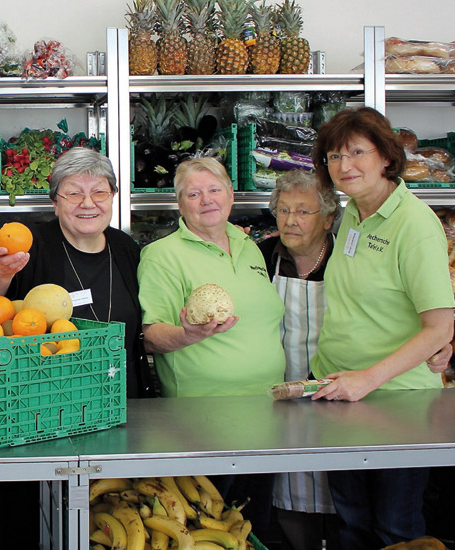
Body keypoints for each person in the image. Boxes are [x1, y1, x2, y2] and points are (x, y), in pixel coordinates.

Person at [308, 107, 455, 548]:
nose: (344, 166)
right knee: (353, 524)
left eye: (357, 152)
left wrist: (367, 380)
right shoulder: (353, 212)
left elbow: (438, 327)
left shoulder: (415, 225)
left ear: (387, 158)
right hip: (339, 391)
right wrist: (346, 383)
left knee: (395, 527)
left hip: (395, 401)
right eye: (334, 156)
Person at [137, 157, 285, 538]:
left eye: (214, 190)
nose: (206, 200)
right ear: (180, 203)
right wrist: (190, 334)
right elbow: (151, 334)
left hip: (265, 411)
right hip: (203, 419)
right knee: (209, 528)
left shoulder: (249, 246)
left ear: (231, 195)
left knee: (254, 526)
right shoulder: (162, 255)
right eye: (193, 193)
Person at [0, 146, 155, 398]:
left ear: (112, 197)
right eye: (74, 193)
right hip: (49, 400)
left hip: (123, 397)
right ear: (55, 203)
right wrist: (0, 273)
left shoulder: (126, 248)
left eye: (99, 192)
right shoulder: (33, 245)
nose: (88, 203)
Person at [258, 170, 342, 550]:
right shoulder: (261, 257)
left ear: (327, 219)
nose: (290, 221)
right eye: (283, 210)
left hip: (341, 393)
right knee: (289, 487)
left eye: (303, 212)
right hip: (281, 398)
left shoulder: (348, 258)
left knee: (342, 489)